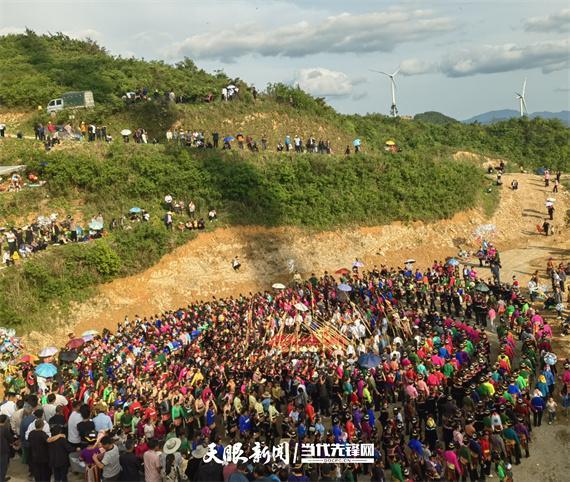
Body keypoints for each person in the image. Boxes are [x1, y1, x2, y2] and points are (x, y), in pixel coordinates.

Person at [0, 414, 13, 482]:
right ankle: (2, 479)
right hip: (3, 450)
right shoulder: (4, 429)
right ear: (5, 421)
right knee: (3, 466)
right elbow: (10, 438)